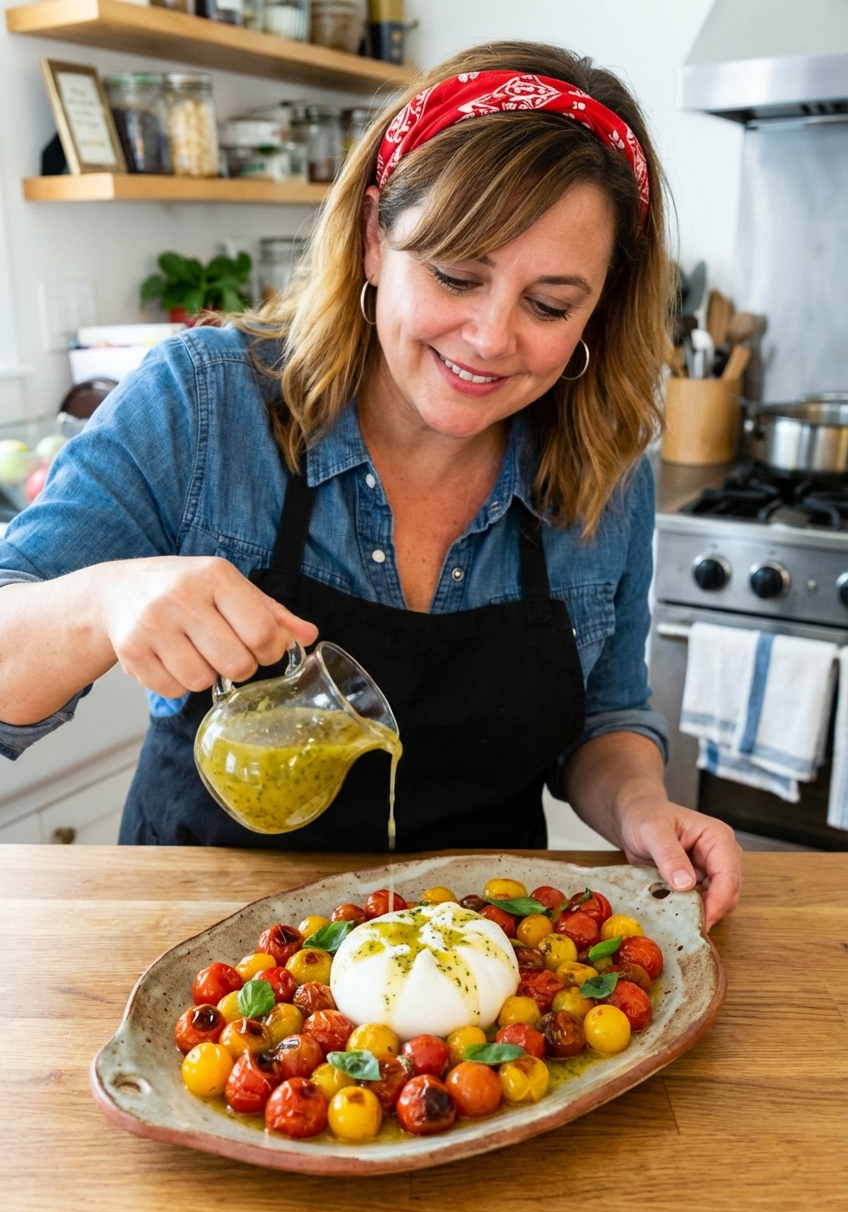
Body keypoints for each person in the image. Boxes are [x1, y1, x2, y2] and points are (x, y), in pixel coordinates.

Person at [0, 41, 741, 926]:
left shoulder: (605, 470)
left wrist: (643, 809)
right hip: (203, 966)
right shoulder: (203, 406)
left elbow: (604, 719)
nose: (492, 336)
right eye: (456, 275)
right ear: (373, 240)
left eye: (549, 305)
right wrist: (106, 601)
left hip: (478, 969)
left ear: (600, 307)